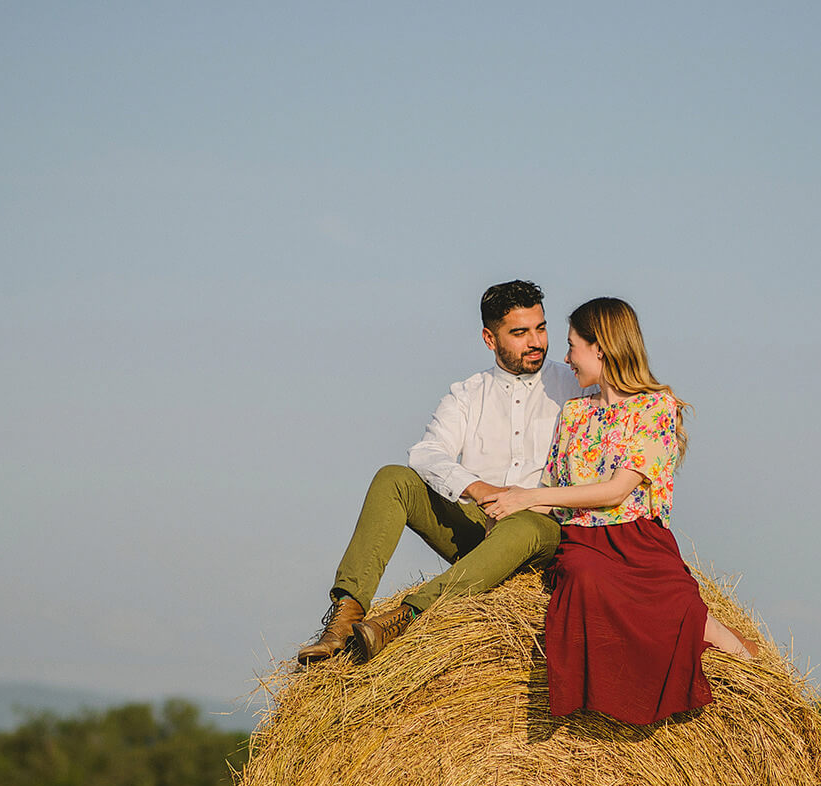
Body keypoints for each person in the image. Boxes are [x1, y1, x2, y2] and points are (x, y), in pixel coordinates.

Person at [481, 297, 757, 725]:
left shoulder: (656, 407)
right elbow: (553, 490)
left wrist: (528, 497)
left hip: (639, 539)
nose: (566, 358)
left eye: (572, 346)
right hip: (583, 539)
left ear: (601, 348)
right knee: (586, 578)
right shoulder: (574, 412)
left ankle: (743, 660)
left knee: (681, 604)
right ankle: (600, 706)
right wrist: (508, 509)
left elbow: (617, 490)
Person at [297, 280, 586, 665]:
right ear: (489, 338)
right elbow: (427, 453)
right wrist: (480, 490)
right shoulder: (467, 393)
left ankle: (407, 616)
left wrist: (524, 501)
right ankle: (345, 616)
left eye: (541, 328)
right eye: (520, 333)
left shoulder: (575, 386)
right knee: (394, 478)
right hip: (479, 527)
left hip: (540, 528)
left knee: (524, 525)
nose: (536, 342)